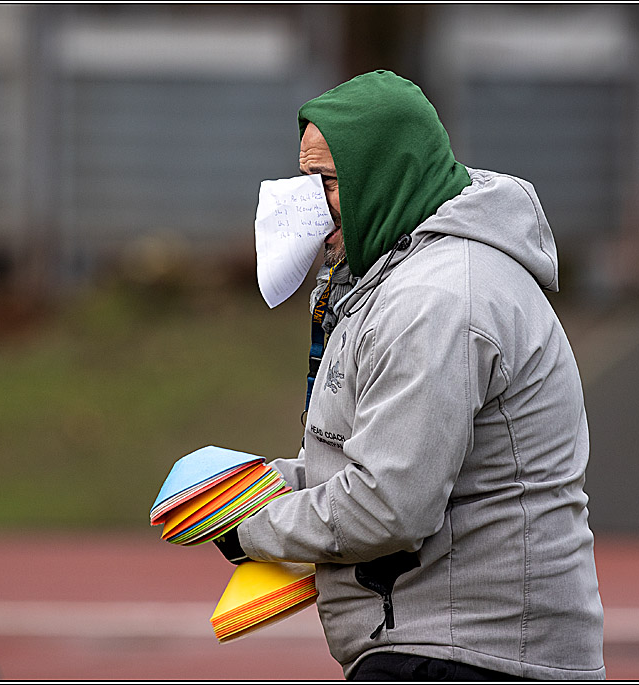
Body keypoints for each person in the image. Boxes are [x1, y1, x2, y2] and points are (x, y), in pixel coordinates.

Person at [213, 70, 605, 680]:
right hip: (445, 647)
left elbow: (389, 506)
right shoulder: (398, 278)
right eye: (304, 178)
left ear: (385, 175)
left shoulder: (440, 299)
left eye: (329, 182)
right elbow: (366, 463)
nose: (309, 203)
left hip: (474, 656)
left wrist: (250, 527)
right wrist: (246, 486)